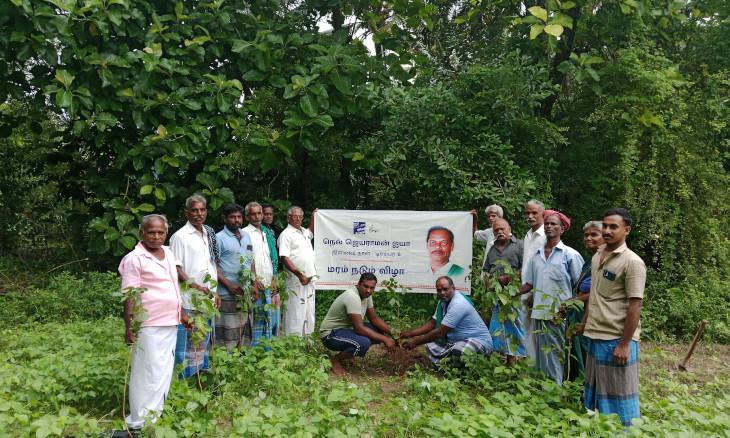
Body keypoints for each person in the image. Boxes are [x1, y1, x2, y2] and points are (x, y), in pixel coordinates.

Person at [119, 214, 188, 431]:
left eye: (160, 232)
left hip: (170, 320)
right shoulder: (135, 258)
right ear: (141, 233)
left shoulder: (167, 252)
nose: (156, 236)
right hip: (148, 323)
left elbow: (174, 287)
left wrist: (182, 313)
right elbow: (130, 294)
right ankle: (138, 420)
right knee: (146, 371)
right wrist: (129, 327)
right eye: (151, 232)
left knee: (163, 370)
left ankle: (155, 415)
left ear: (165, 234)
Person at [577, 208, 646, 427]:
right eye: (605, 226)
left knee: (619, 394)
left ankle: (624, 431)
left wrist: (625, 344)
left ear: (626, 230)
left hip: (616, 338)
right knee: (598, 390)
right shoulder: (599, 255)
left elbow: (635, 306)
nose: (607, 230)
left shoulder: (632, 262)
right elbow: (595, 295)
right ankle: (598, 428)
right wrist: (584, 322)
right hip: (596, 334)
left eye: (613, 226)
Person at [519, 210, 583, 384]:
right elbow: (529, 284)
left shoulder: (570, 255)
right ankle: (543, 388)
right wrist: (510, 292)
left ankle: (556, 389)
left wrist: (567, 309)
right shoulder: (536, 256)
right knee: (541, 354)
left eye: (554, 224)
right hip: (539, 313)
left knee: (556, 353)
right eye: (546, 223)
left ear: (562, 229)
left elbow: (580, 288)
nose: (549, 226)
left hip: (559, 315)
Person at [169, 195, 220, 378]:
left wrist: (215, 292)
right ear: (187, 213)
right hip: (189, 301)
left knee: (202, 343)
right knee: (187, 345)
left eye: (202, 210)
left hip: (207, 300)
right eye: (194, 210)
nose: (199, 214)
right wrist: (198, 287)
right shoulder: (180, 237)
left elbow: (211, 263)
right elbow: (176, 268)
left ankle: (198, 378)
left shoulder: (207, 234)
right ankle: (183, 382)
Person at [401, 276, 492, 366]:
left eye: (445, 289)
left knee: (458, 351)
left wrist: (415, 342)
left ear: (453, 288)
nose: (442, 293)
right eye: (439, 290)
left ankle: (451, 367)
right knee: (430, 344)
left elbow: (440, 333)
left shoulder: (458, 304)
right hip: (456, 342)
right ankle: (446, 363)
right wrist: (410, 334)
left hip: (478, 342)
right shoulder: (443, 302)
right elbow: (432, 323)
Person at [320, 273, 396, 375]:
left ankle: (349, 354)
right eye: (366, 286)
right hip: (330, 335)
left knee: (378, 330)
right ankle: (335, 360)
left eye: (372, 288)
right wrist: (385, 339)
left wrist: (393, 334)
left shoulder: (366, 295)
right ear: (359, 284)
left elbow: (374, 319)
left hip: (346, 330)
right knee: (363, 343)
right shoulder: (352, 296)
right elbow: (359, 328)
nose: (368, 290)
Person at [482, 218, 525, 365]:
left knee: (514, 325)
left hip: (515, 295)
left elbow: (525, 269)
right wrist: (489, 285)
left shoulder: (519, 245)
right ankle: (503, 359)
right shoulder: (492, 249)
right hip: (496, 296)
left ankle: (516, 360)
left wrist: (510, 277)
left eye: (502, 229)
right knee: (497, 327)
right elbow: (486, 271)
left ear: (509, 229)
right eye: (496, 230)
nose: (499, 232)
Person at [566, 221, 604, 380]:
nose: (588, 238)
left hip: (591, 318)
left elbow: (601, 291)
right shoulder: (590, 262)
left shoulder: (606, 261)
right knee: (575, 356)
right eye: (586, 235)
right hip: (578, 315)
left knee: (587, 357)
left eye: (594, 234)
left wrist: (574, 300)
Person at [215, 203, 254, 351]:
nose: (236, 220)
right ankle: (227, 360)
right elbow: (214, 265)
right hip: (227, 293)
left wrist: (254, 283)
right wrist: (229, 285)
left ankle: (242, 360)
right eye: (232, 217)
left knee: (244, 328)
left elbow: (251, 259)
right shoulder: (218, 238)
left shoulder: (246, 236)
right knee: (228, 331)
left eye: (238, 216)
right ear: (225, 219)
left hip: (245, 292)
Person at [243, 202, 279, 345]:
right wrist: (253, 279)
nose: (257, 216)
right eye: (253, 214)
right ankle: (254, 352)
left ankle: (266, 351)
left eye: (259, 213)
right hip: (255, 284)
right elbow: (247, 258)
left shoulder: (266, 233)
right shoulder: (245, 233)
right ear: (247, 216)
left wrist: (274, 279)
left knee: (268, 319)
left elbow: (271, 258)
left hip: (269, 282)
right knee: (255, 320)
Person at [278, 206, 317, 337]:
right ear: (288, 217)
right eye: (295, 216)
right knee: (295, 312)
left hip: (309, 280)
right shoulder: (286, 235)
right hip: (296, 281)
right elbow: (284, 257)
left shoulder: (304, 232)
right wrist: (300, 275)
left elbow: (311, 231)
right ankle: (293, 344)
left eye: (301, 216)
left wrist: (314, 217)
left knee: (308, 312)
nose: (298, 219)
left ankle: (307, 342)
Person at [521, 199, 547, 361]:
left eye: (534, 213)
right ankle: (526, 365)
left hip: (537, 291)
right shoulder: (528, 235)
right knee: (525, 327)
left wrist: (534, 292)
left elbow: (545, 268)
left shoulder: (545, 236)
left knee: (538, 330)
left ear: (542, 214)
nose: (530, 216)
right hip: (525, 288)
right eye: (527, 213)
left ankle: (536, 367)